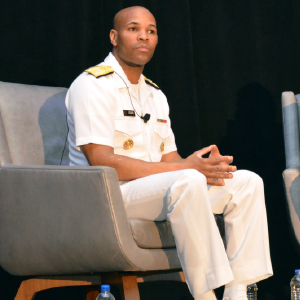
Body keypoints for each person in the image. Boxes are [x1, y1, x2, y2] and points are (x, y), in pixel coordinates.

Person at [65, 6, 273, 300]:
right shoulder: (92, 85)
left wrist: (202, 166)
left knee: (247, 182)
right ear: (114, 36)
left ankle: (237, 292)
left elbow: (170, 161)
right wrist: (187, 170)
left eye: (151, 31)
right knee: (187, 182)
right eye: (133, 29)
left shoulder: (155, 94)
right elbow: (100, 161)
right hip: (107, 196)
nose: (144, 37)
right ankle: (205, 295)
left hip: (153, 191)